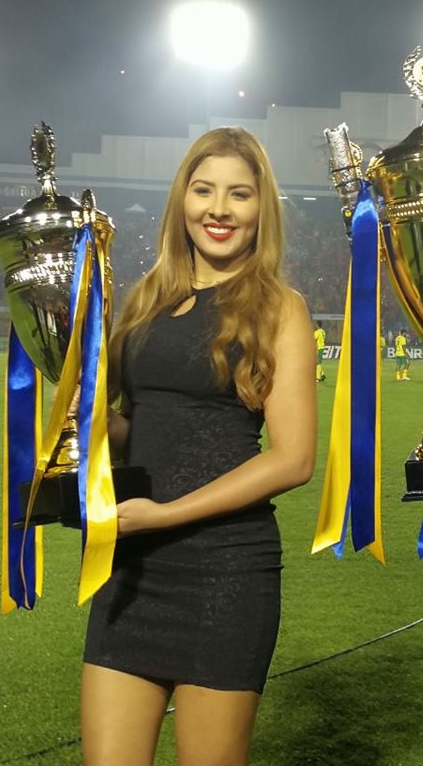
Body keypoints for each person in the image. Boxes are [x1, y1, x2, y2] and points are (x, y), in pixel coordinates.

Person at [81, 127, 317, 765]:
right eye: (203, 189)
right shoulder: (147, 298)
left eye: (239, 194)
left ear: (261, 209)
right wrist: (88, 425)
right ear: (181, 199)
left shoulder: (280, 307)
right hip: (132, 569)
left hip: (224, 572)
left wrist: (165, 515)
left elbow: (293, 458)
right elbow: (141, 426)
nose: (219, 209)